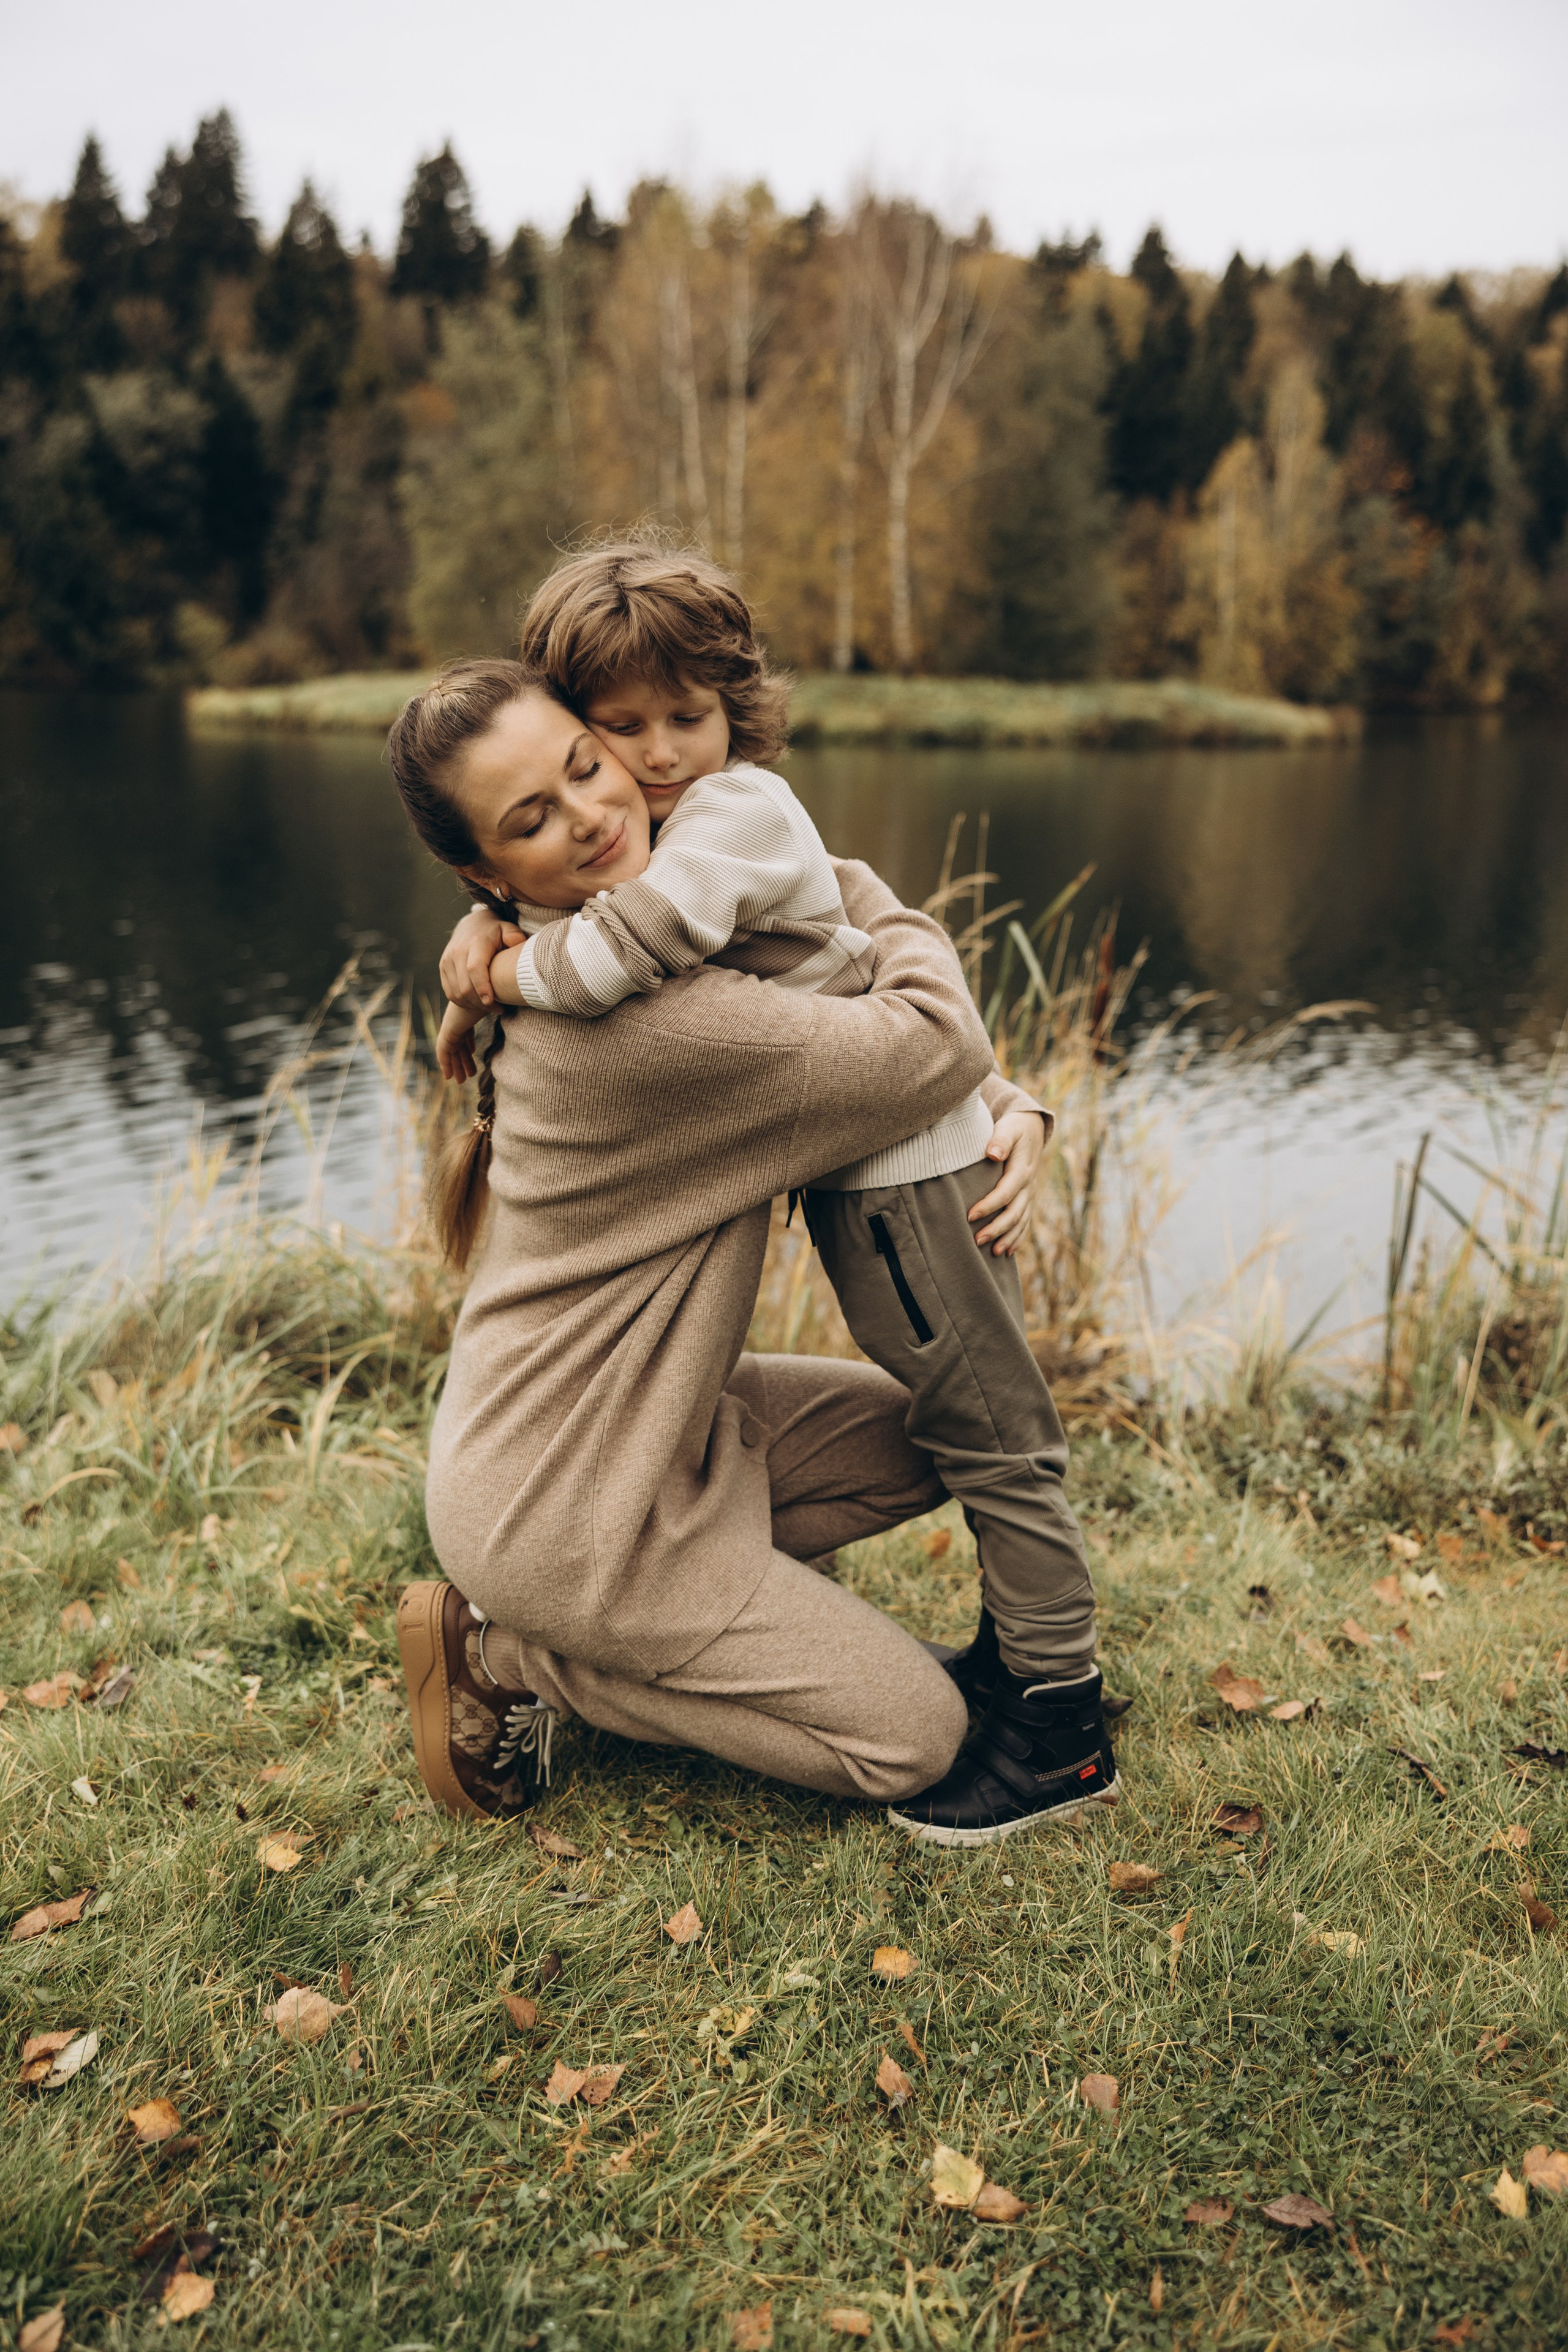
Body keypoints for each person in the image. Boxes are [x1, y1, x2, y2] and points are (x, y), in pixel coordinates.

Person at [426, 546, 1115, 1847]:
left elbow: (805, 940)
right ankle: (520, 1654)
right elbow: (923, 1041)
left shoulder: (617, 937)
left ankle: (685, 1609)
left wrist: (1005, 1097)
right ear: (488, 876)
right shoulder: (647, 1024)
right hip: (561, 1508)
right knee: (915, 1739)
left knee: (935, 1434)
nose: (599, 799)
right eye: (534, 814)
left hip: (642, 1438)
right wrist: (952, 1021)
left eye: (592, 762)